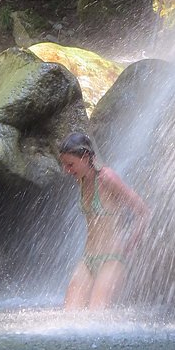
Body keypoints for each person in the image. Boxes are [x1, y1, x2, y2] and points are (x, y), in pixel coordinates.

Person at [59, 131, 148, 310]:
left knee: (96, 317)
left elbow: (143, 212)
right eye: (64, 165)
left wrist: (131, 243)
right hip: (87, 259)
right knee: (69, 316)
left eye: (70, 164)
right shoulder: (81, 180)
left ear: (85, 157)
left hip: (112, 259)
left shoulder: (107, 178)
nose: (67, 170)